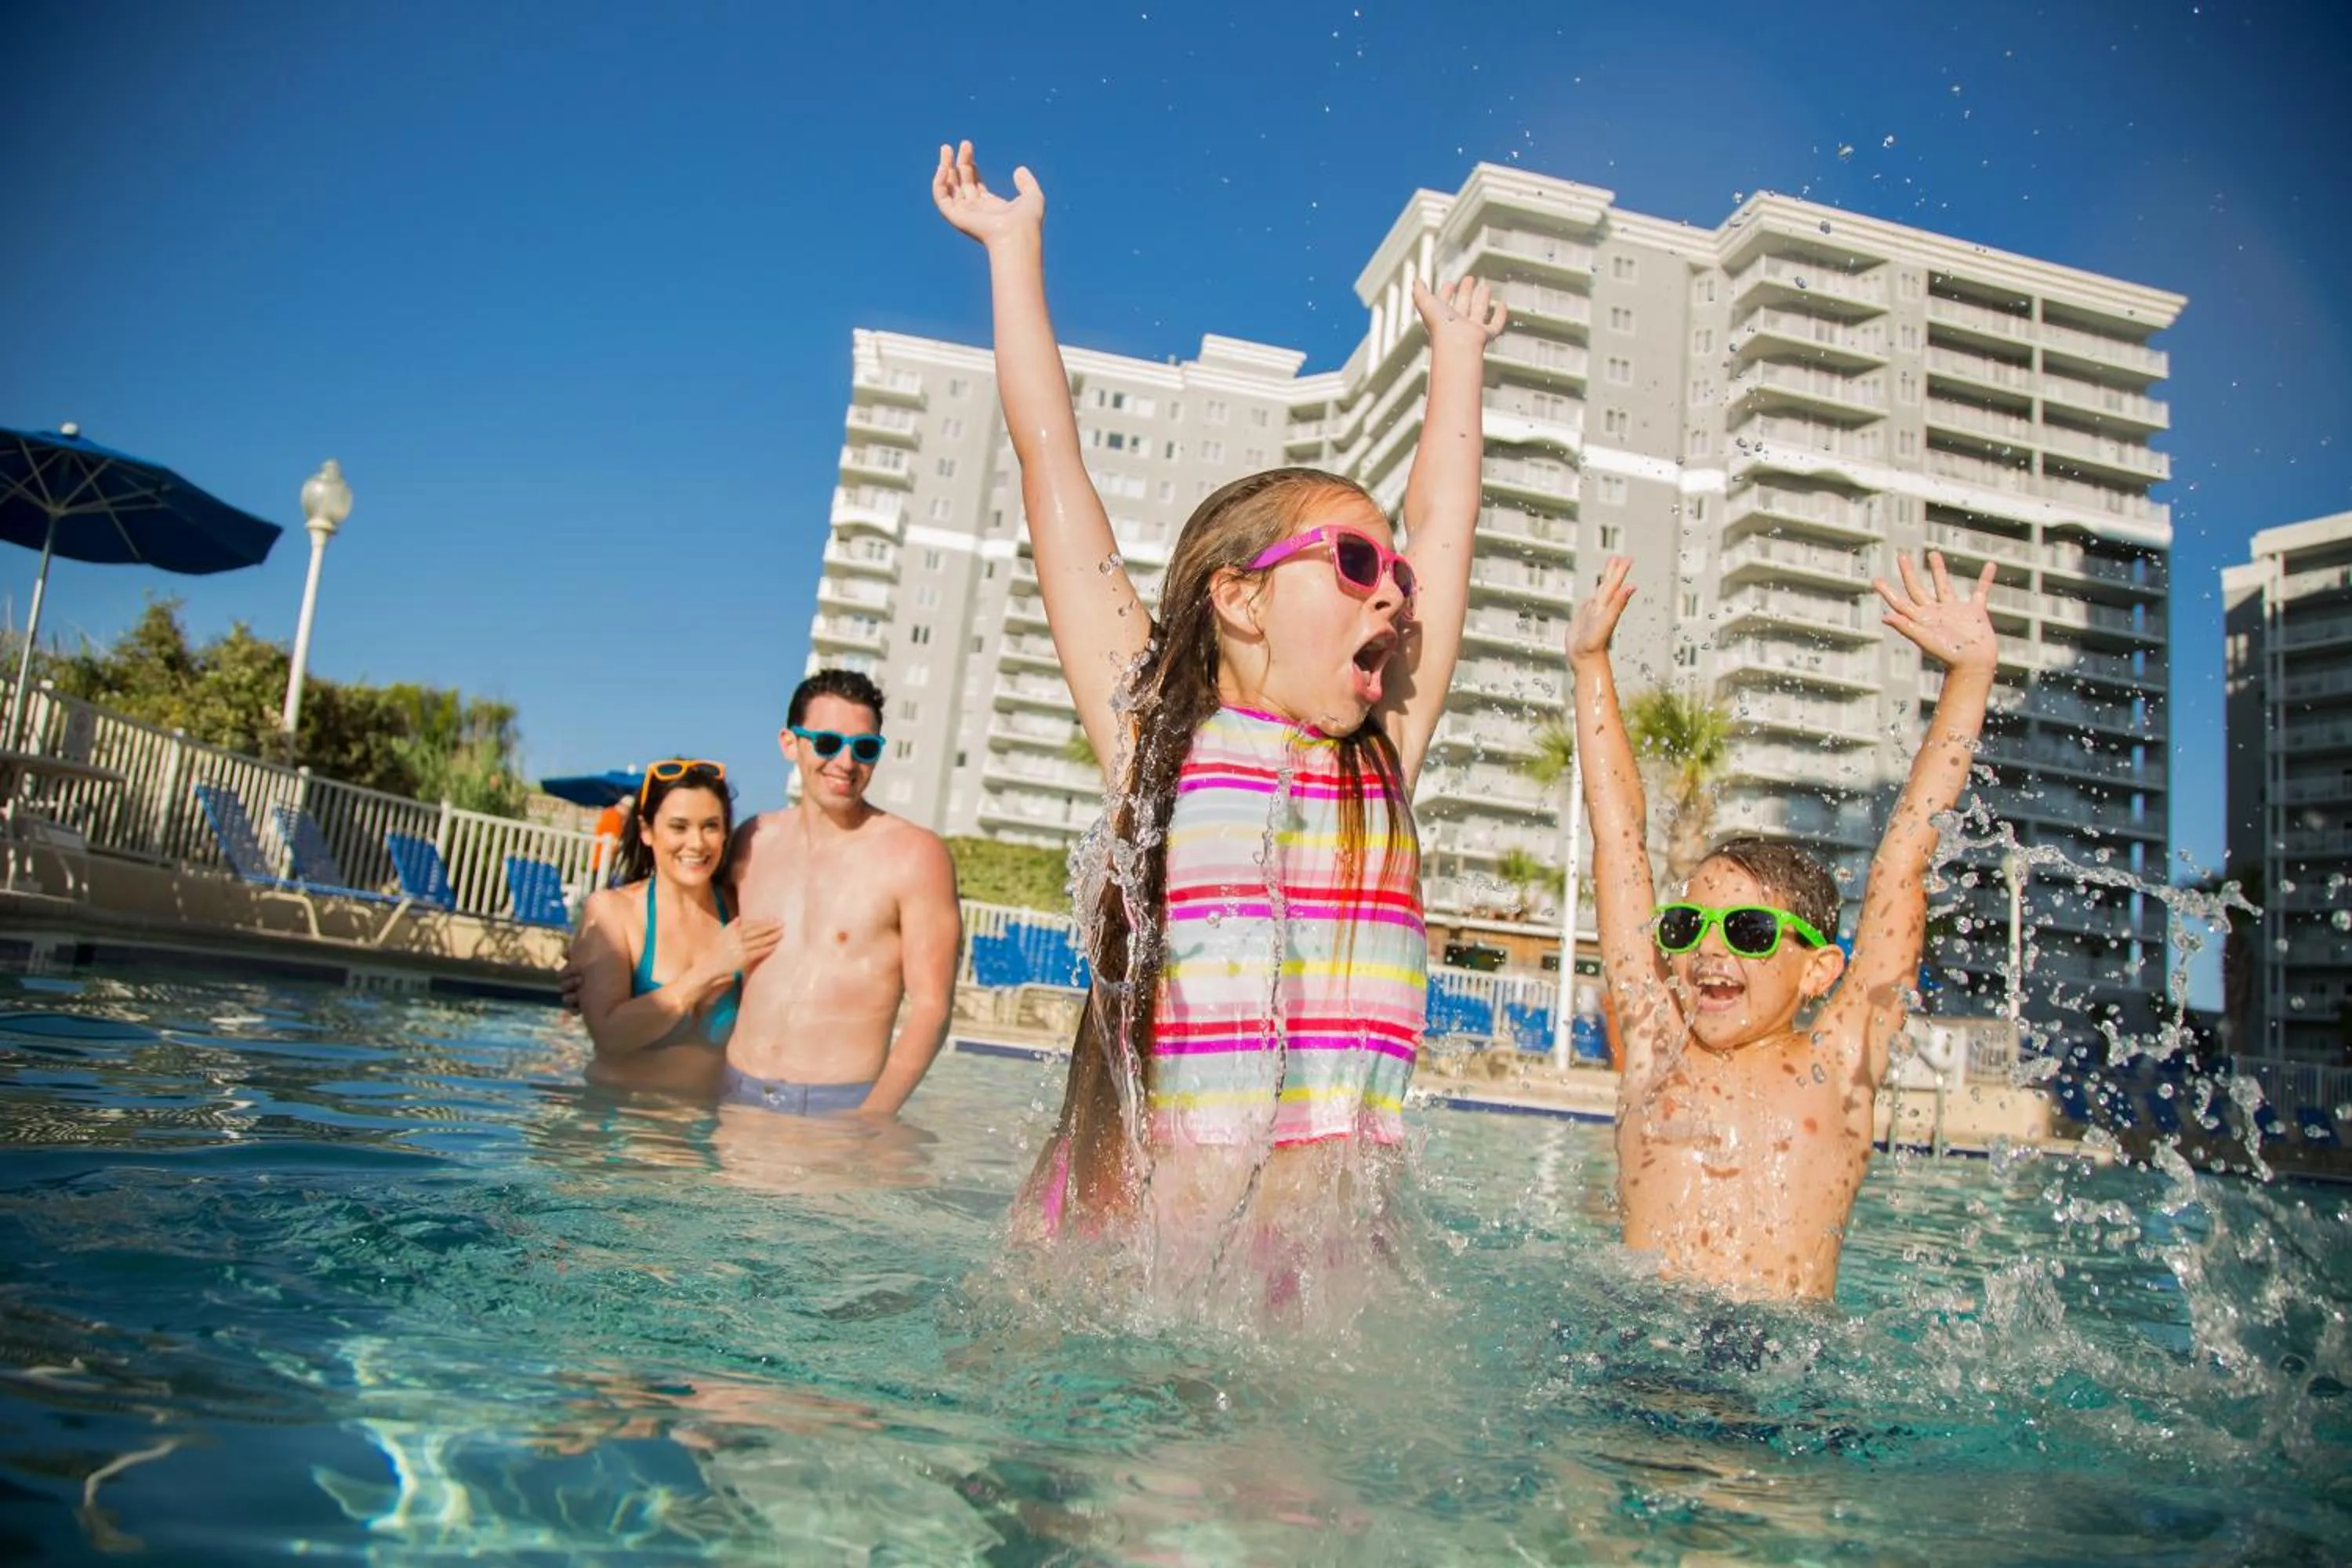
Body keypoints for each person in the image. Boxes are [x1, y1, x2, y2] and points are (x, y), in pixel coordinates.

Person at [933, 139, 1507, 1278]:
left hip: (1327, 1249)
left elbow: (1443, 530)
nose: (1392, 589)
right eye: (1352, 563)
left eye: (1391, 574)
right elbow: (1056, 482)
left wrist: (1458, 361)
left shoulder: (1379, 754)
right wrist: (1013, 252)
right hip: (1139, 1232)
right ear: (1240, 597)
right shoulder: (1160, 739)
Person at [1566, 550, 1999, 1301]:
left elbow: (1905, 857)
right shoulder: (1655, 1044)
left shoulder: (1839, 1063)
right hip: (1636, 1361)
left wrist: (1970, 680)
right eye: (1687, 926)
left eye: (1749, 931)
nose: (1709, 947)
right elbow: (1619, 837)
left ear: (1821, 968)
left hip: (1782, 1378)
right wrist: (1589, 664)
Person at [719, 669, 964, 1120]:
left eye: (865, 748)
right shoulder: (752, 840)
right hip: (733, 1092)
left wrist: (870, 1120)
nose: (846, 763)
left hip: (842, 1109)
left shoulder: (916, 855)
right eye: (828, 743)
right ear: (790, 743)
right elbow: (703, 937)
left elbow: (932, 1006)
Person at [570, 760, 782, 1099]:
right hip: (618, 1129)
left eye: (710, 826)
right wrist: (708, 971)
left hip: (702, 1136)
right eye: (679, 827)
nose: (697, 843)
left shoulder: (741, 909)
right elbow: (609, 1036)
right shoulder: (614, 912)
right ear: (647, 830)